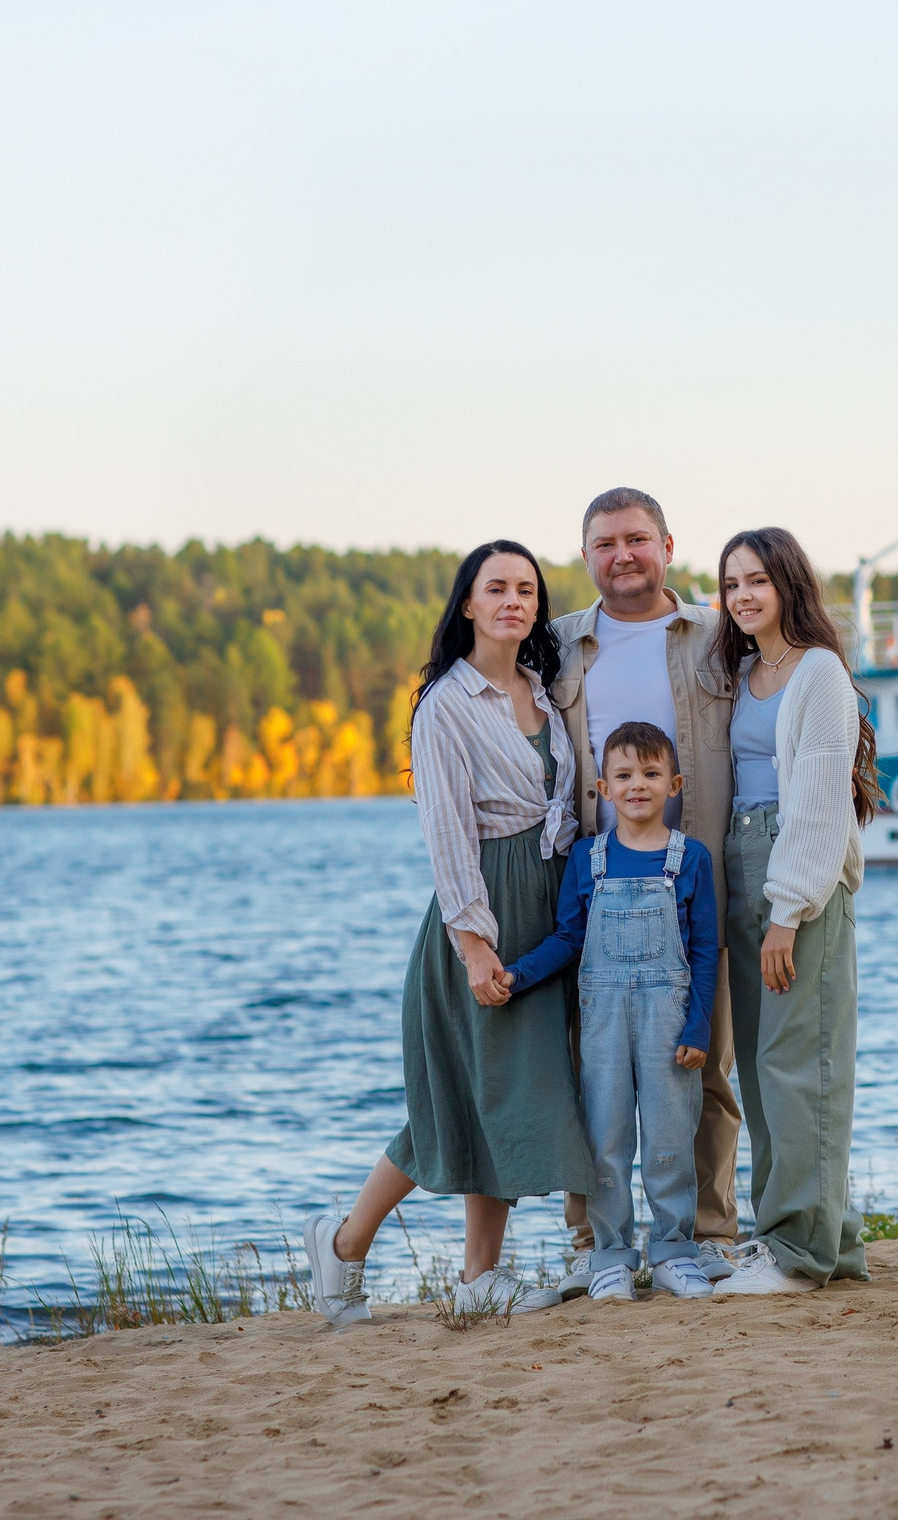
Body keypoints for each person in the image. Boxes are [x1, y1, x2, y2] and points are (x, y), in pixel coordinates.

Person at [302, 540, 594, 1323]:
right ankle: (342, 1245)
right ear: (466, 602)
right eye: (495, 587)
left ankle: (476, 1278)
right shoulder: (444, 706)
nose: (514, 601)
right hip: (486, 909)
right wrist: (474, 944)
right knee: (457, 1099)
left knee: (497, 1093)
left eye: (527, 589)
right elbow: (447, 835)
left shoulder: (543, 687)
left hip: (548, 903)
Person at [547, 488, 742, 1291]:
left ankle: (705, 1232)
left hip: (699, 872)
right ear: (587, 554)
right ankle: (595, 1242)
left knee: (706, 1060)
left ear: (667, 543)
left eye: (636, 539)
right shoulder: (557, 644)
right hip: (595, 882)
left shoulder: (716, 633)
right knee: (589, 1068)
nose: (622, 555)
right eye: (605, 543)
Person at [491, 722, 720, 1303]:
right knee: (606, 1139)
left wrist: (699, 1026)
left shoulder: (690, 859)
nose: (637, 785)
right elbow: (569, 938)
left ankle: (673, 1251)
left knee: (670, 1139)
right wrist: (517, 975)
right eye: (624, 775)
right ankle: (612, 1257)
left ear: (675, 784)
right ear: (602, 788)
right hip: (602, 1022)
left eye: (650, 774)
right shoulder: (587, 860)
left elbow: (702, 952)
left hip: (669, 1022)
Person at [709, 526, 876, 1295]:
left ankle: (797, 1254)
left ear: (788, 585)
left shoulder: (819, 674)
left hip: (794, 872)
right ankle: (814, 1238)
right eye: (731, 582)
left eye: (757, 580)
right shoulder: (745, 671)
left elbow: (816, 801)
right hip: (745, 865)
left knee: (799, 1059)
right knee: (764, 1062)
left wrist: (788, 909)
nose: (743, 595)